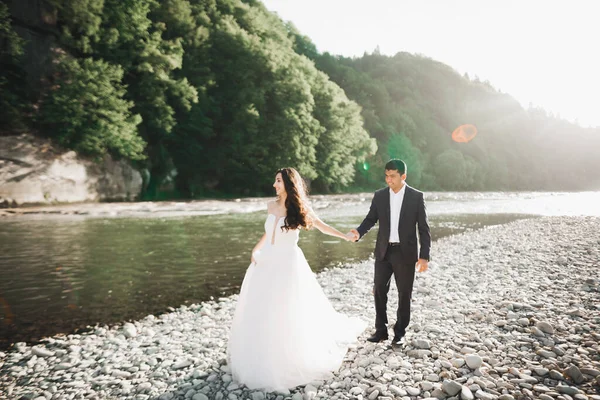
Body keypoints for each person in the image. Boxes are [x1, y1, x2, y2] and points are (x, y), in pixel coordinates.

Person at [228, 167, 366, 392]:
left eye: (279, 181)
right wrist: (256, 249)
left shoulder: (300, 209)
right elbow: (268, 232)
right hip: (265, 263)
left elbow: (321, 226)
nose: (275, 185)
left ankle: (287, 357)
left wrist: (344, 236)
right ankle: (261, 353)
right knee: (261, 308)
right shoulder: (270, 206)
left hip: (287, 263)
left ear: (289, 184)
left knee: (286, 309)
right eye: (275, 181)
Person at [347, 159, 430, 348]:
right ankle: (381, 331)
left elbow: (424, 228)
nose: (388, 179)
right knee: (378, 291)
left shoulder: (416, 197)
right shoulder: (380, 196)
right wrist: (358, 232)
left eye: (392, 176)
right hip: (383, 251)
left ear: (403, 176)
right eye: (386, 175)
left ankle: (399, 333)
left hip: (405, 252)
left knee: (404, 294)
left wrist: (424, 256)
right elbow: (370, 219)